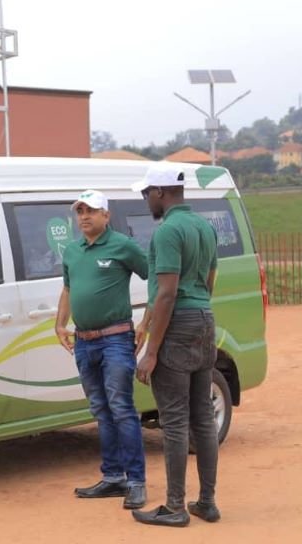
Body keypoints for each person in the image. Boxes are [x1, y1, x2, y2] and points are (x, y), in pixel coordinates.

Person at [130, 164, 221, 528]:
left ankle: (174, 507)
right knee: (202, 418)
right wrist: (197, 310)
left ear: (160, 193)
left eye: (145, 193)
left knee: (174, 421)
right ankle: (207, 503)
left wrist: (151, 352)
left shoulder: (167, 231)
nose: (144, 199)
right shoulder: (204, 227)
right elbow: (210, 279)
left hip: (178, 323)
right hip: (204, 319)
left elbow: (166, 293)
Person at [55, 189, 149, 510]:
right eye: (80, 211)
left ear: (106, 215)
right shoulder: (72, 251)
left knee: (121, 407)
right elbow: (68, 289)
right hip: (84, 341)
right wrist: (59, 324)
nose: (84, 217)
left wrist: (147, 322)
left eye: (91, 211)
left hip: (116, 339)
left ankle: (136, 481)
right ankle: (113, 477)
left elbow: (158, 278)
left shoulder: (123, 246)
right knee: (101, 409)